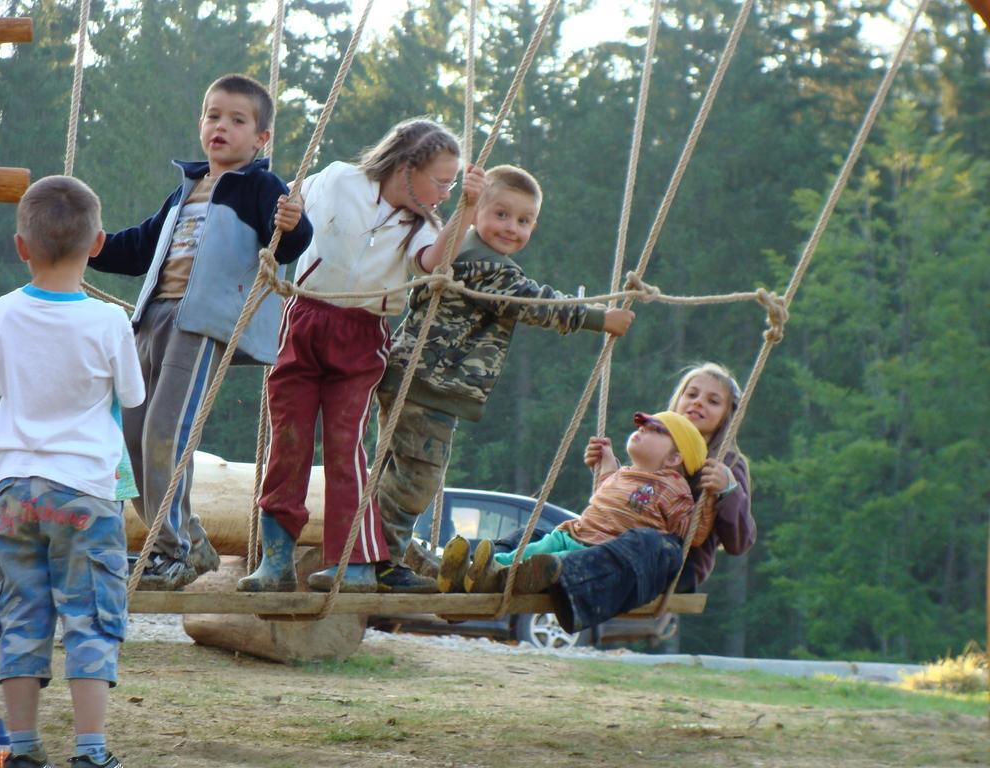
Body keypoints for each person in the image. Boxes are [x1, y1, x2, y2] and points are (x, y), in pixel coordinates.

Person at [347, 164, 636, 594]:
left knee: (395, 470)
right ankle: (381, 559)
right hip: (431, 385)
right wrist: (599, 318)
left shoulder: (457, 253)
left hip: (412, 379)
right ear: (476, 210)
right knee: (416, 478)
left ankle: (377, 549)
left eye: (524, 221)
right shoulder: (484, 265)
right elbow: (534, 303)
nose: (511, 228)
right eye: (501, 214)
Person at [237, 118, 484, 594]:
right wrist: (283, 216)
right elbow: (289, 203)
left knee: (345, 445)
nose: (445, 193)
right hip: (304, 318)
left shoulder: (422, 225)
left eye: (452, 184)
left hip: (362, 331)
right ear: (407, 168)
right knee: (287, 439)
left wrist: (468, 211)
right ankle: (276, 559)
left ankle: (355, 561)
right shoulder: (338, 179)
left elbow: (434, 263)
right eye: (441, 181)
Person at [90, 74, 312, 590]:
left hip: (199, 326)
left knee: (167, 433)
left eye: (238, 120)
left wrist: (294, 222)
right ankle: (186, 539)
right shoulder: (187, 189)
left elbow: (287, 244)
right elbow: (140, 245)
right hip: (153, 319)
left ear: (261, 139)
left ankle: (172, 550)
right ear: (200, 124)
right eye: (214, 116)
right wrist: (89, 245)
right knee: (135, 437)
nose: (222, 127)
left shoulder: (261, 187)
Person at [0, 175, 145, 768]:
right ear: (98, 243)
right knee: (91, 615)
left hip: (15, 488)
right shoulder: (107, 323)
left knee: (22, 613)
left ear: (21, 246)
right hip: (84, 491)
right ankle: (91, 749)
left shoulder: (3, 311)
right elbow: (131, 395)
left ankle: (21, 747)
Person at [492, 362, 756, 632]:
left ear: (727, 415)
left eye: (713, 401)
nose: (699, 403)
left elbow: (739, 543)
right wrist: (608, 469)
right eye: (692, 394)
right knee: (536, 534)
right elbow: (626, 507)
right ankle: (484, 568)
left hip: (666, 559)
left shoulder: (728, 464)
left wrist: (728, 490)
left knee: (648, 541)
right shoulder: (657, 445)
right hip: (615, 545)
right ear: (678, 400)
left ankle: (558, 572)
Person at [441, 410, 708, 594]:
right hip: (570, 533)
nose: (642, 429)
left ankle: (495, 577)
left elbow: (692, 534)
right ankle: (479, 568)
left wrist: (713, 498)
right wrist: (606, 459)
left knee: (547, 562)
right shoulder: (624, 473)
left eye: (654, 430)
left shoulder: (673, 489)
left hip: (596, 553)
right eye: (642, 425)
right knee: (527, 551)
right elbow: (605, 489)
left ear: (674, 459)